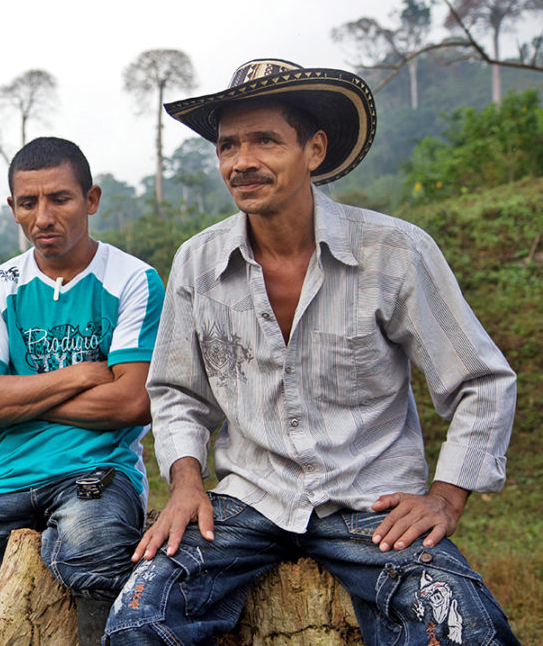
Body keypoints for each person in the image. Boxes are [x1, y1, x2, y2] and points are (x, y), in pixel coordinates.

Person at [104, 59, 520, 645]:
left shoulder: (393, 251)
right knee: (139, 620)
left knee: (464, 629)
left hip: (369, 500)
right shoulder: (197, 262)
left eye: (266, 141)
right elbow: (177, 391)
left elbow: (482, 381)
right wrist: (186, 482)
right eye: (228, 145)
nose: (241, 161)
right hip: (248, 499)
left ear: (315, 150)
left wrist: (447, 498)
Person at [0, 137, 165, 645]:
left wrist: (17, 404)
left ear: (91, 200)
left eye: (60, 198)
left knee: (95, 564)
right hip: (2, 481)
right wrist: (77, 375)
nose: (43, 216)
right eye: (28, 203)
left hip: (96, 473)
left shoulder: (133, 279)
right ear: (13, 208)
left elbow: (131, 402)